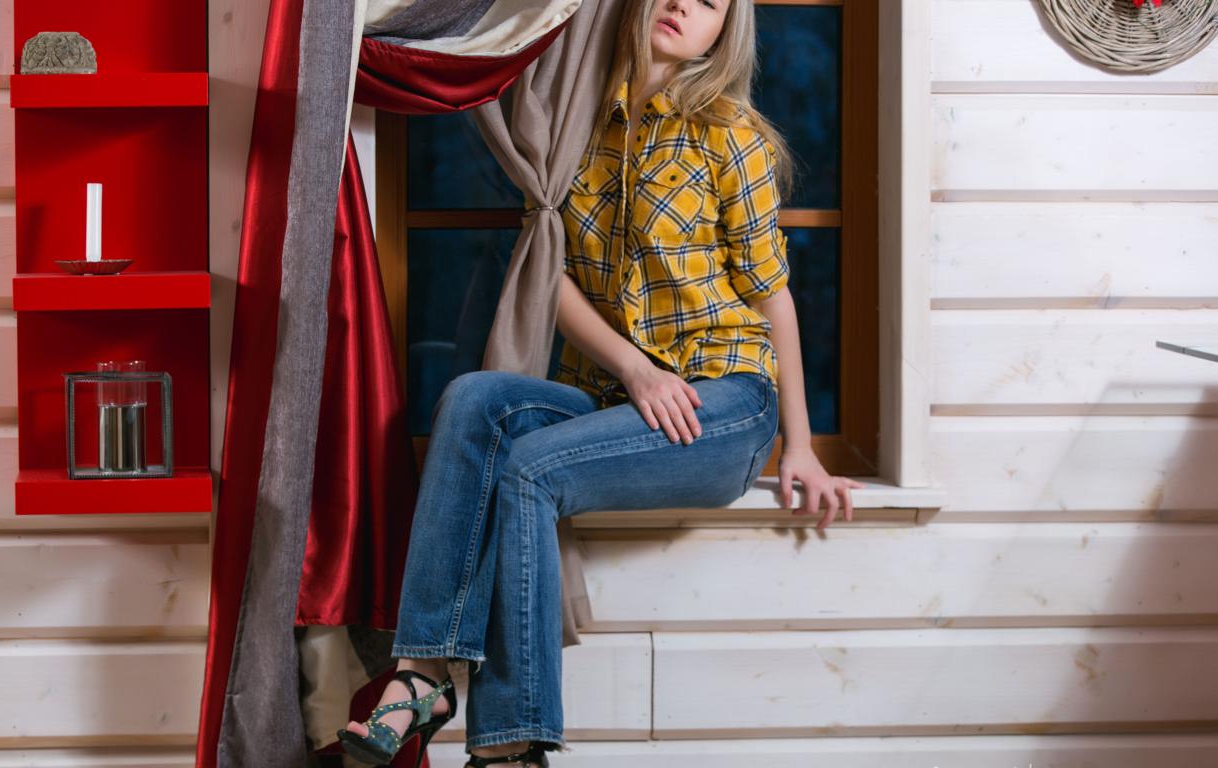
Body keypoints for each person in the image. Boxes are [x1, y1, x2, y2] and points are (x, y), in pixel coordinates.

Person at [337, 0, 864, 764]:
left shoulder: (730, 135)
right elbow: (548, 271)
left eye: (710, 1)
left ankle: (511, 745)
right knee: (474, 400)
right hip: (617, 395)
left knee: (529, 469)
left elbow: (770, 294)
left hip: (725, 401)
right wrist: (634, 369)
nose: (683, 4)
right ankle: (422, 673)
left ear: (725, 30)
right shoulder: (571, 125)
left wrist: (802, 446)